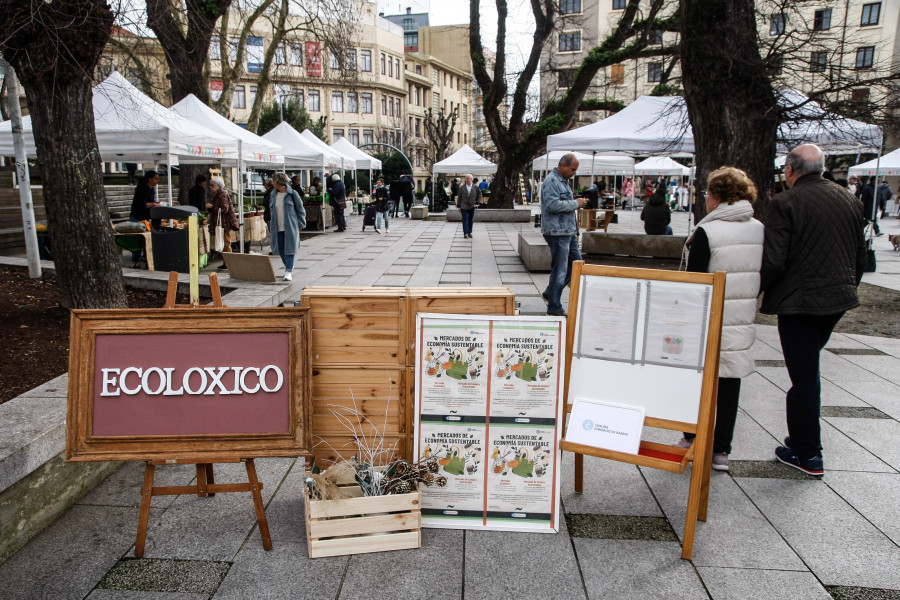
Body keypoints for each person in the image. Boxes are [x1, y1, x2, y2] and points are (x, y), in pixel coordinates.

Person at [760, 144, 867, 476]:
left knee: (804, 378)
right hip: (837, 298)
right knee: (807, 370)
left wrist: (754, 290)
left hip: (800, 302)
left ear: (790, 171)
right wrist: (849, 286)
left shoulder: (785, 202)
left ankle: (808, 453)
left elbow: (774, 259)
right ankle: (800, 443)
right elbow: (859, 253)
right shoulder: (848, 198)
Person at [678, 167, 764, 472]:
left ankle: (691, 436)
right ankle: (721, 451)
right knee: (729, 381)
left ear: (716, 196)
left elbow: (694, 281)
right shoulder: (757, 228)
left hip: (706, 319)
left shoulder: (707, 231)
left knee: (695, 379)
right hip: (739, 317)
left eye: (707, 193)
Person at [540, 154, 588, 317]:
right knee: (560, 269)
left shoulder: (563, 181)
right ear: (563, 165)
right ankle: (554, 306)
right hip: (557, 232)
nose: (574, 172)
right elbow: (552, 205)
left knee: (577, 264)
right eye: (573, 169)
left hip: (567, 231)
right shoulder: (552, 181)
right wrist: (576, 203)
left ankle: (550, 292)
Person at [268, 172, 306, 281]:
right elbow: (271, 210)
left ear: (279, 182)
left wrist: (301, 223)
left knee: (290, 249)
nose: (272, 182)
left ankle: (288, 271)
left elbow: (300, 210)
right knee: (280, 249)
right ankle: (288, 265)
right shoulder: (273, 195)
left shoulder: (292, 194)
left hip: (290, 225)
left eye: (273, 180)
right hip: (277, 225)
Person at [206, 177, 239, 269]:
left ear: (217, 185)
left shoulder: (222, 194)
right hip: (222, 222)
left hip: (224, 223)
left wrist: (212, 207)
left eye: (212, 185)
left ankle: (228, 263)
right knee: (224, 243)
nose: (210, 187)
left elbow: (224, 209)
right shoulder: (219, 194)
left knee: (226, 243)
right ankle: (226, 262)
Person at [458, 173, 481, 239]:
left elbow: (479, 195)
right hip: (464, 206)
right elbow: (459, 197)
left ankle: (469, 232)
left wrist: (477, 202)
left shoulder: (475, 187)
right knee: (465, 219)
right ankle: (465, 233)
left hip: (472, 205)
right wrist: (458, 206)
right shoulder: (462, 187)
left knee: (470, 219)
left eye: (468, 178)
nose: (466, 179)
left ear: (471, 179)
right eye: (466, 178)